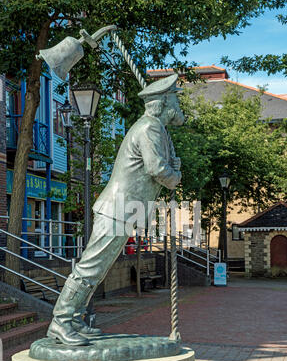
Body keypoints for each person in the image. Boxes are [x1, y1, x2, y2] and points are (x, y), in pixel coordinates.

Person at [47, 74, 184, 345]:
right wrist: (174, 177)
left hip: (125, 210)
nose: (178, 104)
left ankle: (73, 318)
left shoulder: (156, 128)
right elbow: (156, 168)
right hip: (117, 208)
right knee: (91, 267)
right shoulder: (149, 128)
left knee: (99, 268)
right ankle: (61, 321)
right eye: (175, 99)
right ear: (164, 102)